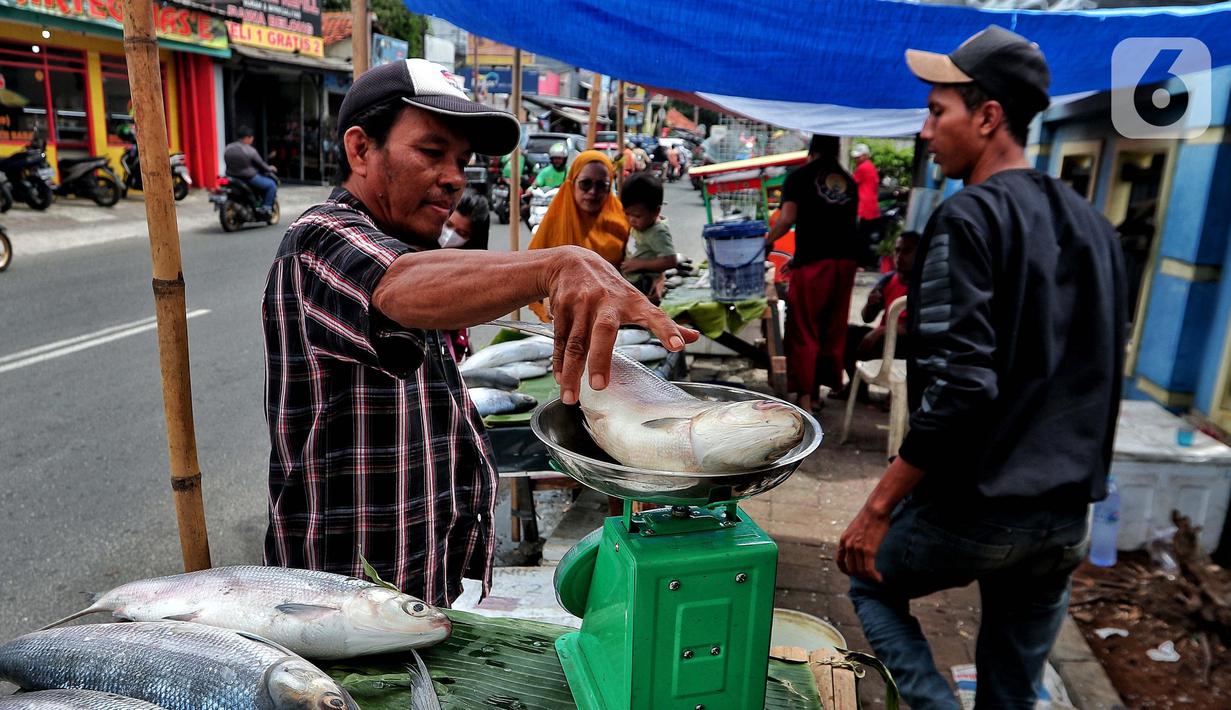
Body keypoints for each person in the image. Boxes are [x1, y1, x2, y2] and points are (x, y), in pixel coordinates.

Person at [262, 58, 696, 607]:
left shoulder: (415, 248)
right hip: (337, 602)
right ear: (360, 149)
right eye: (431, 151)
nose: (454, 178)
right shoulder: (317, 241)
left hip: (412, 589)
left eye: (462, 161)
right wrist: (553, 266)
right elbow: (394, 285)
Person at [837, 27, 1127, 709]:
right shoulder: (1093, 225)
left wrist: (877, 508)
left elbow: (963, 386)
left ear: (987, 116)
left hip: (979, 509)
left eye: (938, 111)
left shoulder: (968, 216)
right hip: (1064, 518)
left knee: (867, 576)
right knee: (1011, 689)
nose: (926, 129)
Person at [766, 134, 860, 414]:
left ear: (812, 150)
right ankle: (820, 392)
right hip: (845, 263)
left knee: (803, 327)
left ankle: (805, 398)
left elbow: (786, 219)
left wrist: (767, 242)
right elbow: (837, 226)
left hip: (814, 264)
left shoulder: (799, 178)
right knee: (831, 327)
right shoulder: (848, 181)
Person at [837, 231, 918, 397]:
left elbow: (920, 327)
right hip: (883, 340)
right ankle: (857, 388)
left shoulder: (925, 285)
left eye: (906, 251)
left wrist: (881, 331)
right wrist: (870, 304)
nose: (899, 256)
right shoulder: (889, 280)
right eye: (897, 250)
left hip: (907, 345)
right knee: (846, 334)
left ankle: (900, 395)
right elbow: (867, 317)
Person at [438, 190, 491, 363]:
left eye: (461, 233)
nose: (450, 235)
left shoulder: (471, 268)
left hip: (450, 343)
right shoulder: (412, 248)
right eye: (449, 225)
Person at [619, 172, 678, 301]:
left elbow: (670, 260)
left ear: (656, 211)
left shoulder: (658, 232)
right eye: (628, 214)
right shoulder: (641, 225)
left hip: (644, 284)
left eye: (637, 216)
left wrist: (640, 264)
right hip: (630, 280)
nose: (631, 220)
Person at [224, 125, 277, 216]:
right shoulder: (250, 150)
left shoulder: (228, 147)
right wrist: (270, 168)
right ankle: (266, 208)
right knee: (271, 185)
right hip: (248, 178)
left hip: (231, 176)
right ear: (248, 137)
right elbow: (261, 165)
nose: (252, 140)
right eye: (251, 138)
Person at [851, 142, 882, 267]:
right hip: (871, 207)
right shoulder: (870, 166)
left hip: (864, 208)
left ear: (865, 156)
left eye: (859, 156)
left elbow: (851, 183)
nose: (856, 159)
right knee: (864, 237)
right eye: (856, 157)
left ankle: (860, 264)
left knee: (860, 238)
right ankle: (863, 263)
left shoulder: (863, 168)